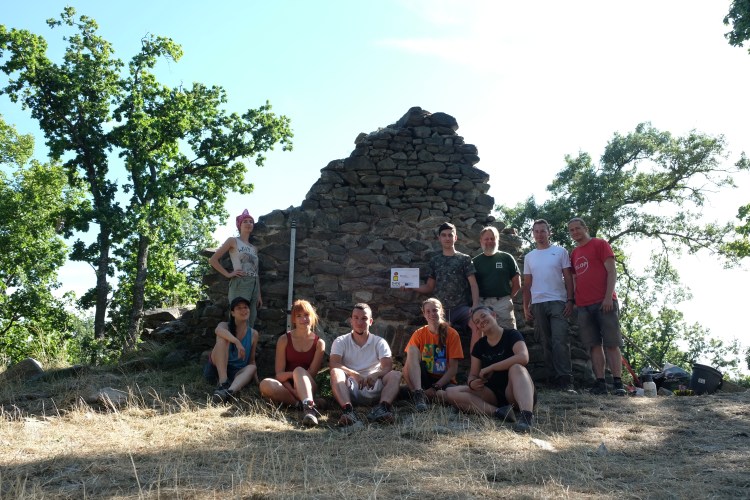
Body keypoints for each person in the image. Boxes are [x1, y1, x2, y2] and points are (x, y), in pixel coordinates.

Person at [444, 306, 536, 433]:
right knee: (450, 392)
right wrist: (472, 383)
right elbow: (473, 375)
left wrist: (492, 367)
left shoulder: (512, 334)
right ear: (477, 327)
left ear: (493, 315)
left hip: (514, 392)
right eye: (477, 321)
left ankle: (526, 416)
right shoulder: (479, 346)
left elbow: (523, 357)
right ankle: (499, 412)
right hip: (492, 395)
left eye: (483, 316)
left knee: (516, 368)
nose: (481, 321)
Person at [568, 217, 627, 396]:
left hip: (604, 302)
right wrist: (575, 300)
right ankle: (600, 382)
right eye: (571, 230)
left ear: (585, 228)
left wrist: (608, 297)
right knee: (593, 345)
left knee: (612, 343)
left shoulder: (600, 244)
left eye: (578, 228)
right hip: (584, 305)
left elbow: (612, 271)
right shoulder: (574, 253)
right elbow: (574, 278)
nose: (575, 232)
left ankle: (618, 383)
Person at [522, 219, 577, 393]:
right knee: (545, 342)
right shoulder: (529, 256)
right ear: (533, 234)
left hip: (558, 301)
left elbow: (568, 277)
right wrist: (525, 307)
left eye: (543, 231)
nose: (539, 234)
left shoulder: (560, 252)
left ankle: (565, 380)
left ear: (549, 232)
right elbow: (527, 284)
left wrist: (570, 300)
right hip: (538, 303)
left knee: (560, 340)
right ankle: (552, 379)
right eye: (536, 231)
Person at [329, 303, 402, 425]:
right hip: (350, 387)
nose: (359, 322)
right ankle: (348, 411)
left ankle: (382, 409)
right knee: (335, 372)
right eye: (356, 318)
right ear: (351, 320)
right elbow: (334, 364)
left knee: (396, 374)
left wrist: (375, 375)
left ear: (371, 321)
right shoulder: (340, 341)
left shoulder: (379, 342)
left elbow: (387, 367)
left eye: (364, 318)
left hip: (374, 385)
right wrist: (354, 374)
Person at [259, 299, 326, 426]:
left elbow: (311, 374)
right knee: (265, 384)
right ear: (294, 319)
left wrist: (297, 375)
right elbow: (279, 375)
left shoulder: (319, 343)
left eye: (306, 315)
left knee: (299, 370)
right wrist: (293, 389)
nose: (303, 319)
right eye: (299, 316)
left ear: (312, 317)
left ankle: (309, 410)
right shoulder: (284, 339)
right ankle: (299, 404)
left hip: (308, 386)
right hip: (286, 387)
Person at [412, 222, 480, 340]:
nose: (447, 238)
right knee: (437, 335)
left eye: (450, 235)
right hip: (439, 310)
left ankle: (476, 353)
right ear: (439, 238)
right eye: (444, 235)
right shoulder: (435, 261)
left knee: (477, 325)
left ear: (455, 237)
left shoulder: (464, 259)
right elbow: (429, 287)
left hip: (461, 308)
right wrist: (410, 286)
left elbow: (473, 285)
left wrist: (475, 305)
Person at [403, 298, 464, 411]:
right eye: (428, 311)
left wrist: (435, 387)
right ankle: (419, 395)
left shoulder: (452, 334)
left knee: (444, 395)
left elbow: (453, 369)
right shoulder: (418, 334)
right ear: (424, 314)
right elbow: (407, 368)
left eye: (435, 310)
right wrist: (414, 391)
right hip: (422, 380)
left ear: (441, 311)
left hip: (443, 382)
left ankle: (427, 396)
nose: (432, 314)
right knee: (412, 349)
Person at [209, 209, 262, 327]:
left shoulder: (254, 248)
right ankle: (233, 340)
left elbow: (256, 271)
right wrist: (228, 274)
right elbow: (213, 260)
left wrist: (258, 294)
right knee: (239, 319)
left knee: (251, 319)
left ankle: (247, 340)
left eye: (251, 222)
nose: (249, 223)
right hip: (240, 283)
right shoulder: (233, 241)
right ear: (239, 225)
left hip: (254, 284)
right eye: (245, 221)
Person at [471, 226, 521, 350]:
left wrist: (507, 298)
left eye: (492, 238)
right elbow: (471, 285)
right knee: (484, 338)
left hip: (503, 302)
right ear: (481, 241)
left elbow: (517, 282)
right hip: (483, 304)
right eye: (486, 239)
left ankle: (513, 360)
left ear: (497, 240)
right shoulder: (475, 262)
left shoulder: (507, 258)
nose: (489, 241)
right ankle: (487, 362)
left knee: (509, 334)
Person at [204, 296, 258, 403]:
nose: (243, 310)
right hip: (216, 371)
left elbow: (252, 360)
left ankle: (228, 392)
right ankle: (223, 383)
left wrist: (257, 381)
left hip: (236, 374)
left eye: (245, 307)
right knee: (222, 339)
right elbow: (218, 330)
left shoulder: (254, 334)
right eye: (239, 308)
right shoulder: (224, 326)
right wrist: (237, 342)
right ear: (232, 313)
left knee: (252, 367)